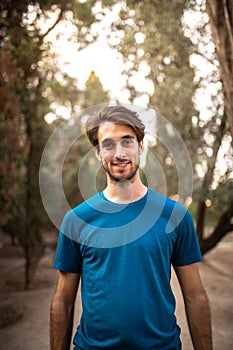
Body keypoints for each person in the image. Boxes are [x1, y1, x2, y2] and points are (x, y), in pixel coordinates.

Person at [50, 105, 212, 350]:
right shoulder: (76, 221)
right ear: (97, 153)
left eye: (127, 142)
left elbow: (195, 295)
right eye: (108, 144)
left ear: (141, 146)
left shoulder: (175, 216)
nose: (119, 153)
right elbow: (63, 300)